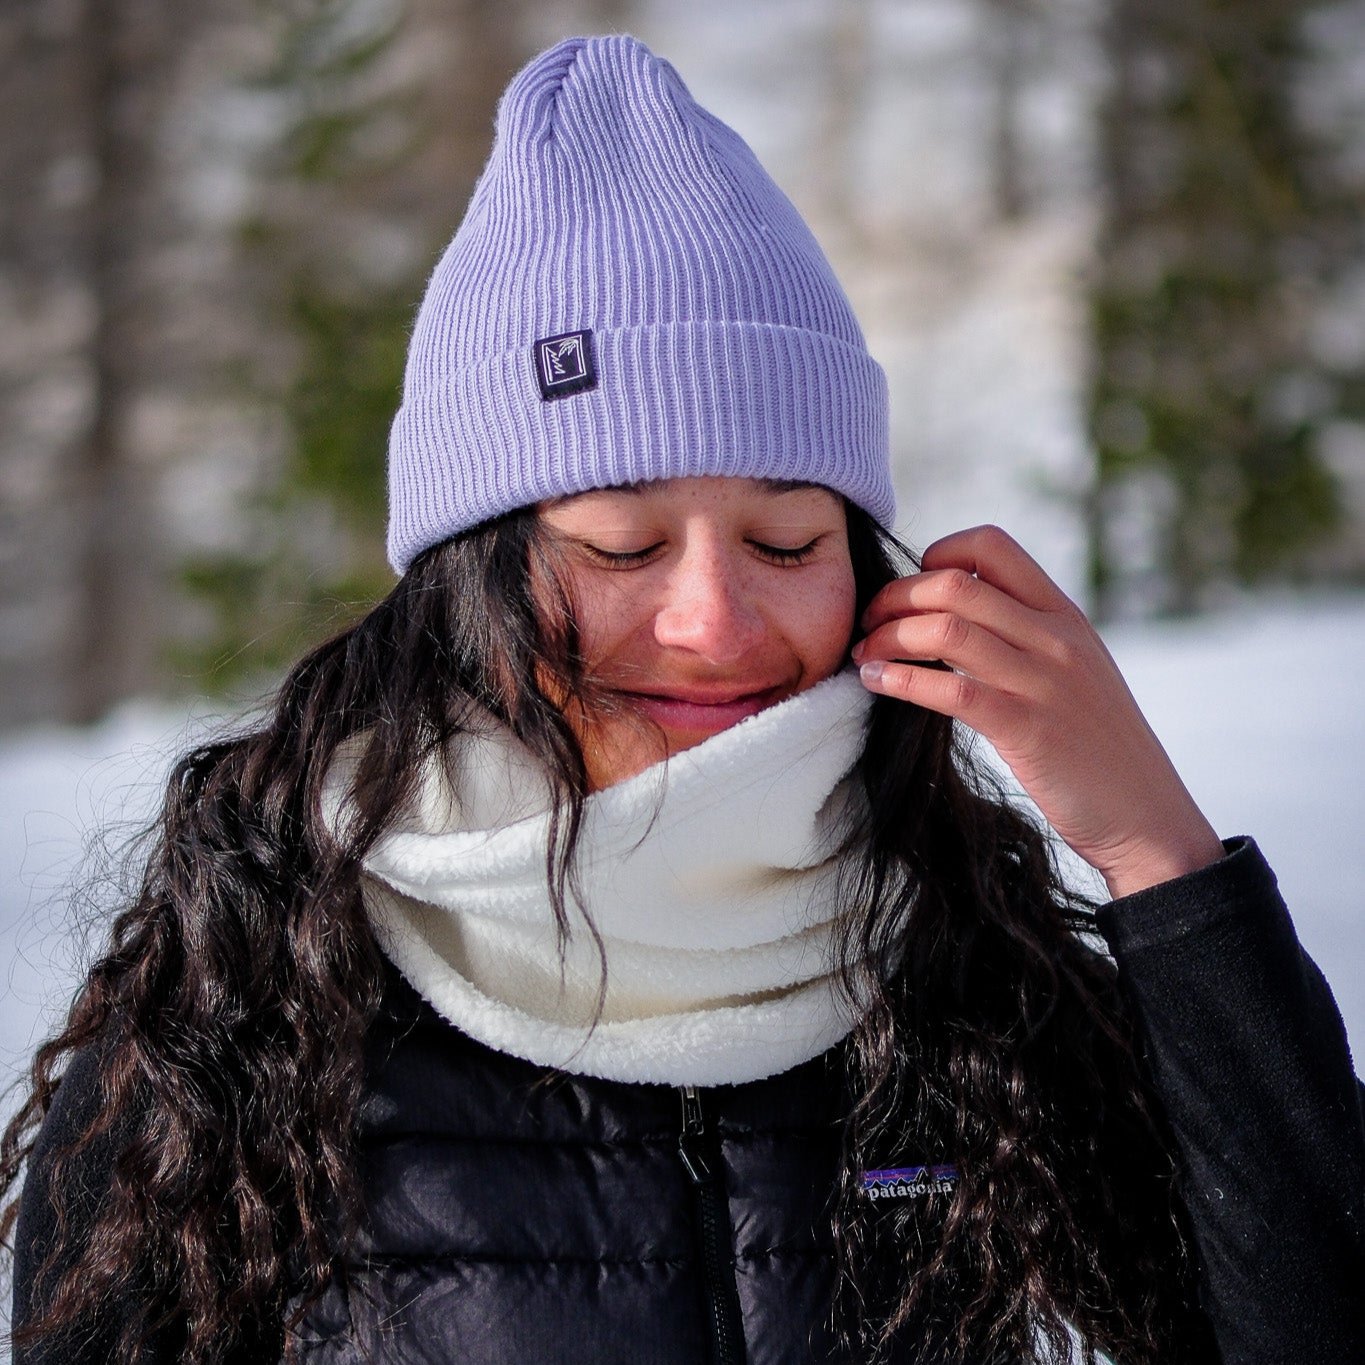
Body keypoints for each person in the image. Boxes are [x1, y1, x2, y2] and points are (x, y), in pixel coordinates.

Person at [3, 32, 1362, 1365]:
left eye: (786, 541)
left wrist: (1154, 851)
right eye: (619, 547)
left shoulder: (960, 965)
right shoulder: (246, 1000)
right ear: (467, 582)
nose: (713, 621)